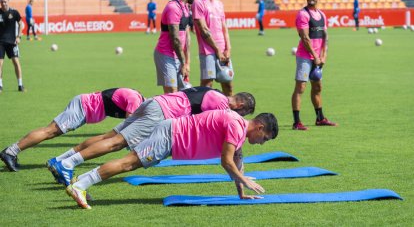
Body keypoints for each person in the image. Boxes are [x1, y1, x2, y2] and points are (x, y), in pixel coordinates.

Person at [66, 109, 278, 209]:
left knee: (128, 162)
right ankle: (81, 184)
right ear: (259, 128)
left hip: (172, 137)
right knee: (128, 163)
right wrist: (245, 180)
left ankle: (81, 181)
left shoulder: (239, 131)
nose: (262, 143)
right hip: (170, 136)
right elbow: (226, 161)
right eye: (265, 138)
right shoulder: (236, 125)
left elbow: (236, 162)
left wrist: (241, 193)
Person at [50, 87, 256, 186]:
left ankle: (62, 159)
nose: (239, 117)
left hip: (156, 104)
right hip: (163, 113)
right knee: (117, 143)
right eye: (243, 114)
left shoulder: (213, 92)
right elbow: (200, 126)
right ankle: (68, 164)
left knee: (112, 136)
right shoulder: (221, 105)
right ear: (239, 106)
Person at [0, 88, 144, 172]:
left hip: (84, 108)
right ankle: (10, 152)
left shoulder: (138, 100)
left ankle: (13, 152)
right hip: (83, 107)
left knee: (50, 132)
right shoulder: (136, 101)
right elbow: (129, 125)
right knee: (50, 131)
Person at [291, 0, 337, 131]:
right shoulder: (303, 14)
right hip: (305, 57)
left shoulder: (322, 15)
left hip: (317, 59)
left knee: (317, 87)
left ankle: (320, 118)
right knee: (301, 87)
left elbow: (325, 37)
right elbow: (304, 38)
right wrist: (315, 56)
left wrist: (323, 56)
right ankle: (297, 122)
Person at [154, 0, 199, 93]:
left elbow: (187, 37)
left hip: (178, 57)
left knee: (181, 93)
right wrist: (183, 63)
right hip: (166, 55)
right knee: (171, 95)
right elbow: (175, 39)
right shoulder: (173, 8)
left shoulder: (186, 8)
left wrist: (187, 62)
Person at [192, 0, 233, 96]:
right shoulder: (198, 3)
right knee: (207, 86)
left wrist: (228, 48)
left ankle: (229, 114)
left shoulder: (219, 4)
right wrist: (217, 50)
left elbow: (224, 28)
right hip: (208, 51)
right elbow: (204, 31)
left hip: (223, 51)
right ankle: (203, 114)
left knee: (228, 84)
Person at [0, 0, 24, 93]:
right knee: (0, 64)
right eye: (1, 2)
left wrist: (19, 36)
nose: (3, 4)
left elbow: (21, 23)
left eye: (5, 2)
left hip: (12, 42)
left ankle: (20, 84)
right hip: (0, 42)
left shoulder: (14, 12)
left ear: (8, 1)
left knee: (16, 62)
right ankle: (0, 85)